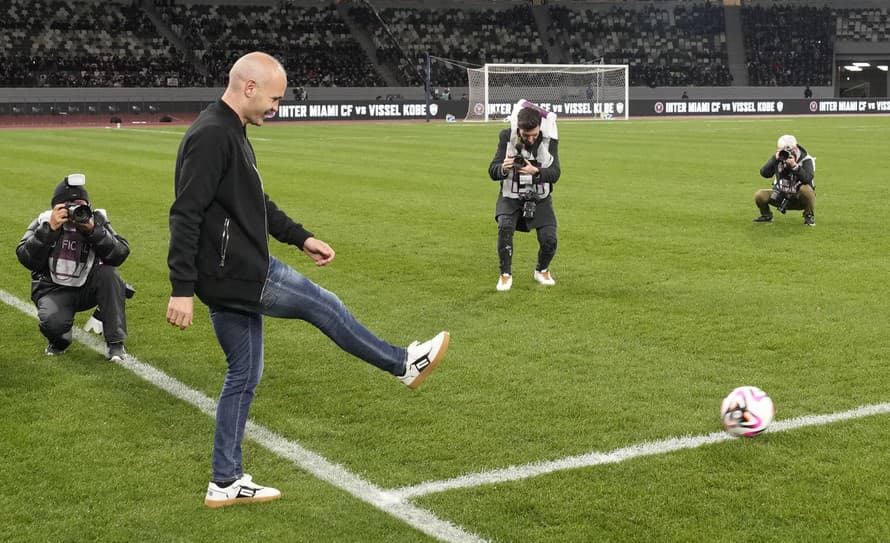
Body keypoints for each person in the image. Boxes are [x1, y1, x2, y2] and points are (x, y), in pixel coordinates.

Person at [166, 51, 449, 508]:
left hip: (227, 274)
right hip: (238, 273)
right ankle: (404, 363)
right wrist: (180, 290)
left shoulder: (229, 129)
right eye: (274, 98)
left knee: (243, 375)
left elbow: (255, 202)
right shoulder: (213, 134)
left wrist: (302, 237)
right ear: (250, 87)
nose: (277, 108)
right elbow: (185, 214)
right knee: (324, 304)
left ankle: (225, 480)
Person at [16, 174, 131, 361]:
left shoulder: (95, 219)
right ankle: (59, 340)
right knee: (54, 326)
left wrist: (93, 231)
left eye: (81, 204)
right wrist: (49, 231)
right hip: (53, 289)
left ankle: (116, 343)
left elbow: (120, 253)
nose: (76, 210)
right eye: (70, 205)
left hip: (88, 287)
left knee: (109, 273)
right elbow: (26, 258)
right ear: (57, 207)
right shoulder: (45, 221)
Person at [487, 102, 561, 291]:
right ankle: (505, 274)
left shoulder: (549, 139)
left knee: (549, 240)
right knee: (505, 227)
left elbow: (555, 173)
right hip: (511, 195)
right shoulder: (506, 137)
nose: (530, 139)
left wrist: (535, 171)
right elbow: (492, 170)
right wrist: (502, 168)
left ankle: (542, 270)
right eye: (526, 135)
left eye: (534, 135)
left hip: (540, 196)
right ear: (518, 128)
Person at [753, 134, 816, 226]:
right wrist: (774, 159)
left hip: (799, 198)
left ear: (795, 148)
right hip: (781, 194)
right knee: (760, 195)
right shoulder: (779, 158)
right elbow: (764, 173)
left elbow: (807, 178)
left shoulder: (806, 160)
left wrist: (795, 166)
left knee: (806, 189)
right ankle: (766, 215)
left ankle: (808, 216)